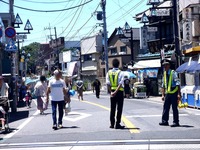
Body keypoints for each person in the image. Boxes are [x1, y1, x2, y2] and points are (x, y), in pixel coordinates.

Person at [159, 60, 181, 127]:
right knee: (165, 107)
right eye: (164, 66)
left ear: (169, 66)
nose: (164, 67)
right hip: (167, 93)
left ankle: (176, 122)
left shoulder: (173, 73)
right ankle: (165, 121)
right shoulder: (165, 74)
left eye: (166, 65)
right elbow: (163, 85)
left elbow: (178, 83)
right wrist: (162, 95)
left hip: (174, 93)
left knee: (174, 108)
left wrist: (178, 94)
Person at [106, 59, 125, 129]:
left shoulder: (109, 72)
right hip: (119, 92)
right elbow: (120, 84)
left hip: (112, 92)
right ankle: (117, 124)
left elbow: (108, 84)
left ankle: (112, 124)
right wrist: (115, 92)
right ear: (119, 64)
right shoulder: (121, 72)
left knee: (112, 108)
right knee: (119, 108)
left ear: (112, 65)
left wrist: (111, 92)